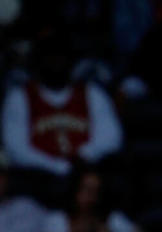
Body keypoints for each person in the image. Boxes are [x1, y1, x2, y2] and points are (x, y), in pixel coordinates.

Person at [0, 34, 122, 177]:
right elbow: (15, 148)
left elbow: (112, 137)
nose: (56, 62)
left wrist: (84, 155)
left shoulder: (92, 93)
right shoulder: (19, 97)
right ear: (39, 61)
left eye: (61, 56)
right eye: (50, 57)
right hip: (37, 180)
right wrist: (55, 166)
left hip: (83, 176)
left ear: (72, 61)